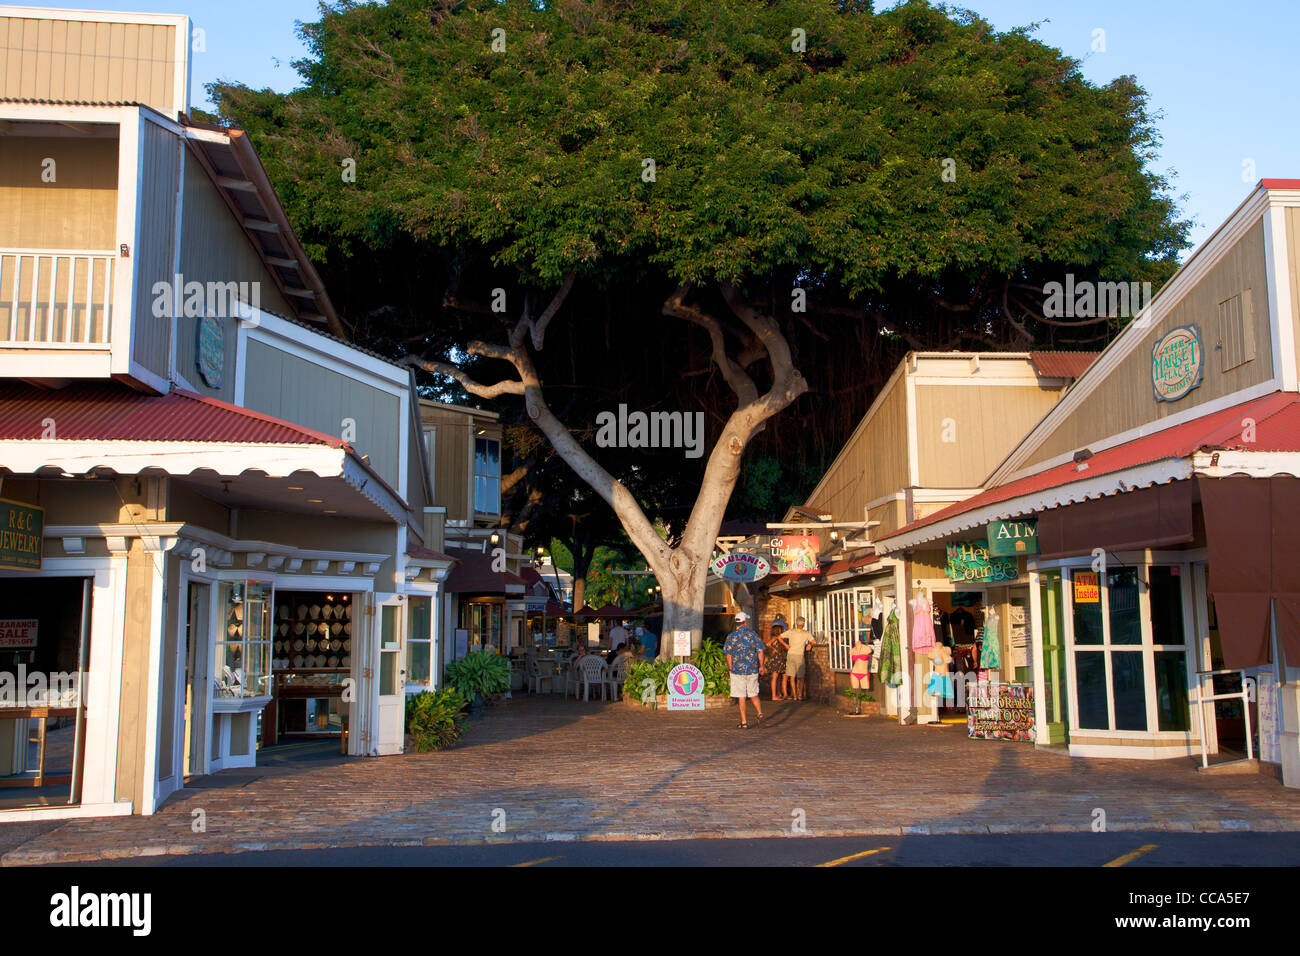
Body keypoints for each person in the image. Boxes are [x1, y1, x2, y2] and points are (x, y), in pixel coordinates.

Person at [723, 611, 766, 728]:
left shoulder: (731, 637)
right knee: (753, 693)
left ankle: (744, 722)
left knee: (741, 696)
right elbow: (761, 651)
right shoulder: (753, 635)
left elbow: (728, 655)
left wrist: (730, 667)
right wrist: (761, 666)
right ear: (745, 622)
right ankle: (759, 713)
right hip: (752, 669)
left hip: (737, 670)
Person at [782, 617, 816, 701]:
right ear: (803, 624)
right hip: (800, 655)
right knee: (801, 677)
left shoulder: (791, 631)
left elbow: (779, 637)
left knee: (792, 676)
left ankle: (795, 695)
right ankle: (800, 694)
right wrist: (810, 645)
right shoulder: (806, 633)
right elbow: (814, 641)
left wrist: (785, 645)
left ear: (796, 624)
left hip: (790, 654)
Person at [765, 620, 789, 700]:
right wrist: (773, 649)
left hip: (779, 659)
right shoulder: (775, 637)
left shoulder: (779, 638)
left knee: (778, 677)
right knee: (774, 677)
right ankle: (774, 695)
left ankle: (778, 694)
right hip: (776, 659)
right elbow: (768, 644)